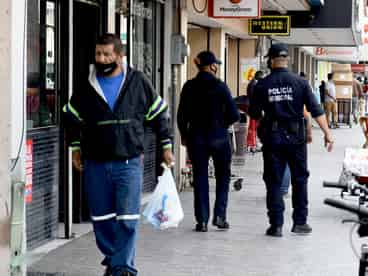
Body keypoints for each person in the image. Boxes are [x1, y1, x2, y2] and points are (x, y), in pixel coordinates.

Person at [63, 33, 174, 276]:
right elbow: (70, 117)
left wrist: (166, 145)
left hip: (128, 163)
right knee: (101, 220)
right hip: (96, 164)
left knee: (127, 218)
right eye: (98, 54)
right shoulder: (87, 85)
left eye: (107, 54)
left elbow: (159, 114)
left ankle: (122, 269)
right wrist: (75, 148)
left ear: (120, 56)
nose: (101, 59)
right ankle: (115, 262)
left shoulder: (138, 82)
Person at [249, 43, 333, 237]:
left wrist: (267, 118)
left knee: (273, 181)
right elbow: (316, 109)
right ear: (287, 60)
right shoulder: (301, 83)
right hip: (296, 139)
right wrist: (327, 133)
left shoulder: (262, 84)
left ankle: (276, 225)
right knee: (300, 179)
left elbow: (254, 113)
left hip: (272, 138)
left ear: (271, 60)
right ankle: (300, 222)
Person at [177, 50, 240, 233]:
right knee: (223, 177)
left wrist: (184, 134)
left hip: (196, 139)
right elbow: (234, 114)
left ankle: (202, 221)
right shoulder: (221, 87)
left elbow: (182, 116)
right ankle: (220, 217)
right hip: (219, 137)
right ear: (212, 66)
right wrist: (221, 123)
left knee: (200, 178)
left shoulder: (189, 86)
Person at [247, 70, 264, 152]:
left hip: (254, 109)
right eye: (262, 77)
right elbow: (253, 98)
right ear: (259, 76)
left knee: (254, 127)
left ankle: (254, 144)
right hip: (254, 110)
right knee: (253, 128)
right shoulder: (253, 84)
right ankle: (252, 145)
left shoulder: (253, 83)